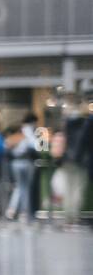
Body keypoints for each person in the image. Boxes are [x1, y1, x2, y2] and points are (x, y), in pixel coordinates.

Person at [57, 97, 91, 229]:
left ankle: (68, 218)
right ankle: (74, 216)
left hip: (67, 159)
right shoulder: (86, 122)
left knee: (68, 188)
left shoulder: (67, 123)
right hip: (81, 160)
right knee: (77, 189)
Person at [5, 113, 40, 224]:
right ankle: (24, 212)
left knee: (19, 187)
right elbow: (35, 145)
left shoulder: (16, 131)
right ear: (33, 121)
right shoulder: (29, 131)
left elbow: (6, 145)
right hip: (27, 161)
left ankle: (11, 210)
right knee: (26, 188)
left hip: (15, 161)